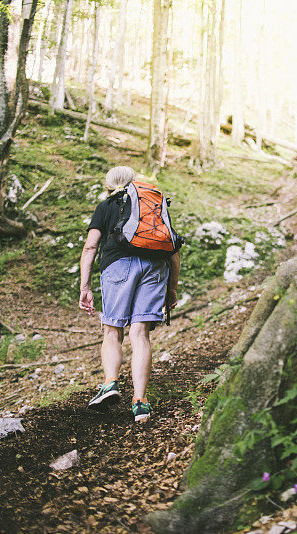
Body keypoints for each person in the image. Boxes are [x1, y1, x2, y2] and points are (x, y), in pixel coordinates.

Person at [78, 166, 180, 421]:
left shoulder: (106, 206)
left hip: (118, 267)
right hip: (155, 267)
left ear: (109, 184)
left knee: (113, 330)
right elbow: (174, 249)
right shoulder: (152, 205)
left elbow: (91, 246)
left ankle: (111, 383)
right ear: (134, 183)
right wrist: (172, 287)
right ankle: (140, 402)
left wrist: (85, 287)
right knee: (139, 333)